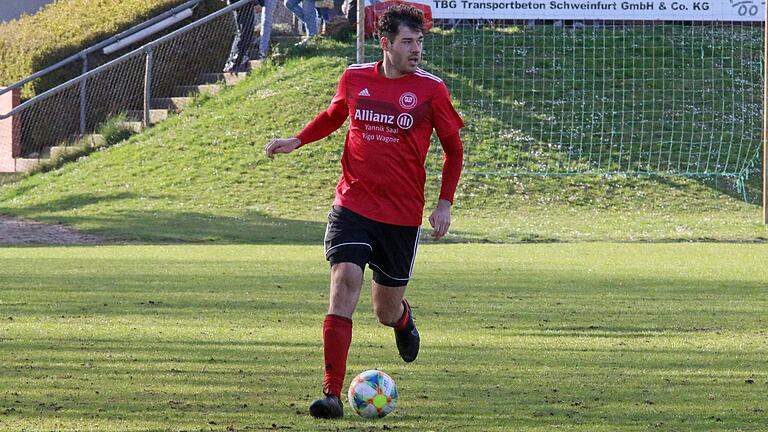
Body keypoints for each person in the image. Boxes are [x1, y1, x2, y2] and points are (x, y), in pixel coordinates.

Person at [264, 5, 464, 419]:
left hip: (402, 216)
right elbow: (334, 115)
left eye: (420, 42)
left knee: (384, 311)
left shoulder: (432, 90)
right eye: (408, 42)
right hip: (353, 204)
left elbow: (453, 150)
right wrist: (296, 140)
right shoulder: (356, 78)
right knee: (345, 279)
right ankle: (332, 393)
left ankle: (404, 321)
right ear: (385, 43)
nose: (416, 50)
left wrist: (444, 203)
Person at [223, 0, 257, 72]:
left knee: (245, 33)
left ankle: (236, 60)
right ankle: (234, 61)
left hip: (245, 4)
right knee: (244, 33)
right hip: (241, 4)